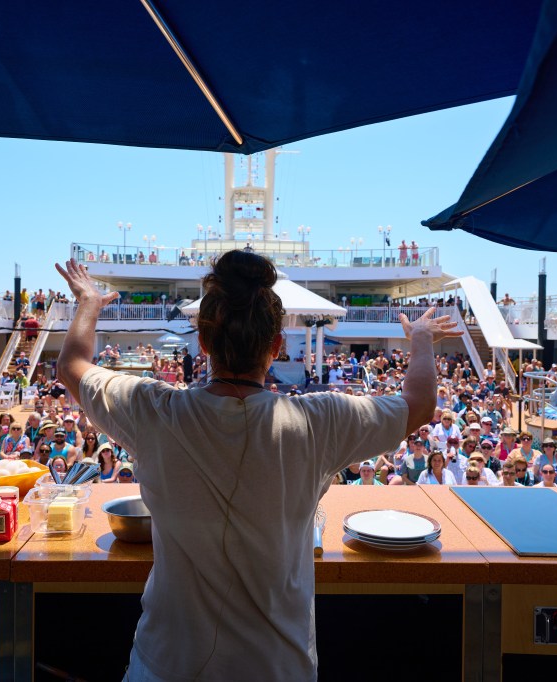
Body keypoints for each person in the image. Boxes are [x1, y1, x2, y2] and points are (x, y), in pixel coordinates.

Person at [53, 251, 460, 680]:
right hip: (277, 666)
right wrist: (419, 338)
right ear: (277, 346)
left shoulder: (153, 410)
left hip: (168, 663)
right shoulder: (319, 422)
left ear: (204, 342)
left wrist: (89, 303)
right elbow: (418, 405)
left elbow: (72, 365)